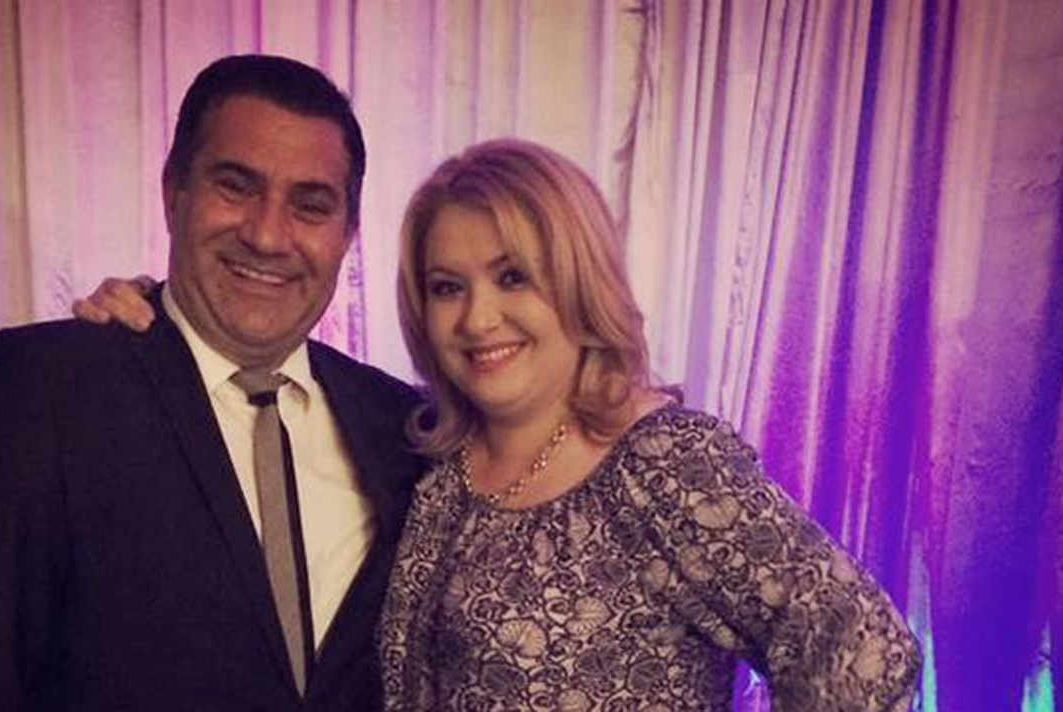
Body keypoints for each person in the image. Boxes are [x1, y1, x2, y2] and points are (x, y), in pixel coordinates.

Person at [79, 140, 922, 710]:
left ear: (576, 277)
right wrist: (161, 319)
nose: (478, 319)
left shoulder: (662, 460)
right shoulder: (427, 459)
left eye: (513, 277)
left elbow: (866, 648)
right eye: (448, 287)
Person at [0, 55, 425, 712]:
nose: (267, 235)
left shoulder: (399, 426)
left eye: (310, 205)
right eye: (236, 186)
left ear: (347, 235)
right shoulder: (42, 389)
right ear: (172, 193)